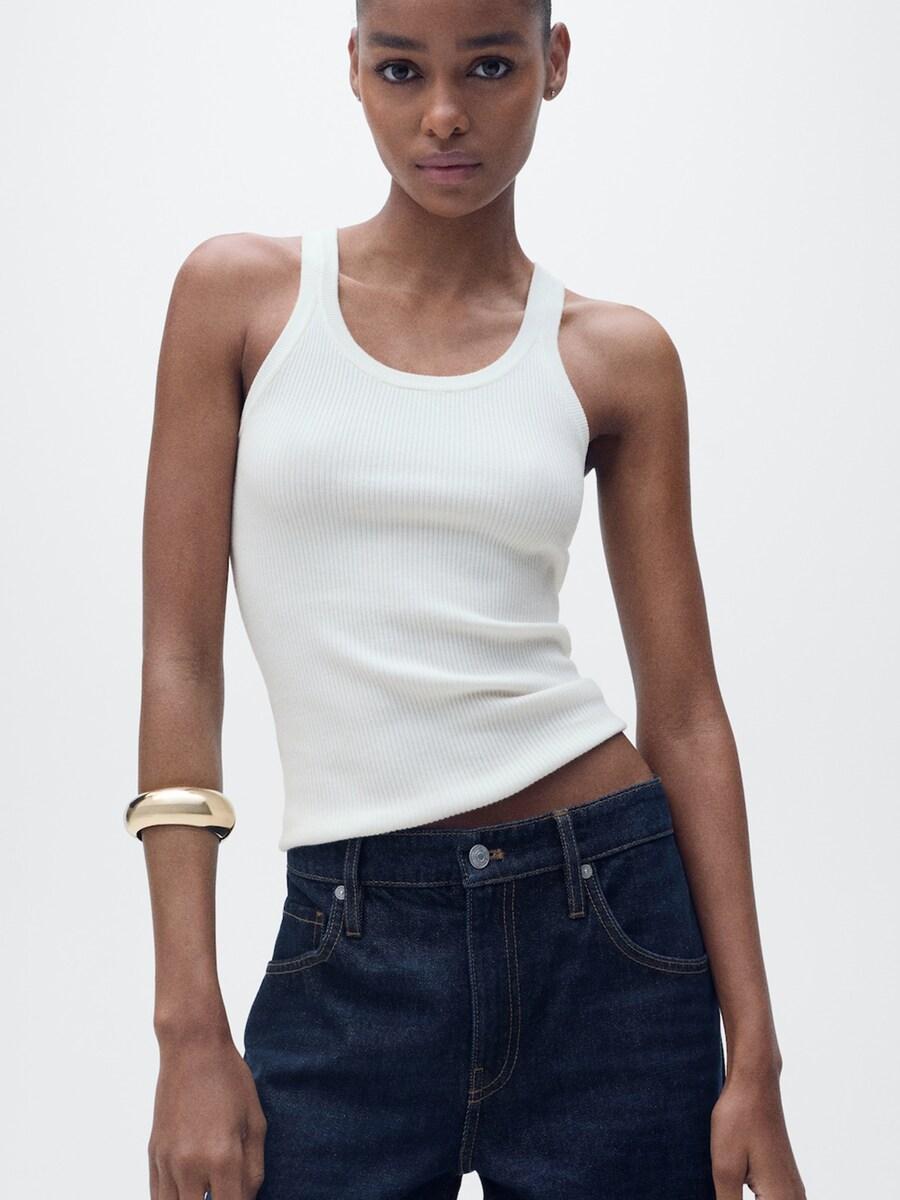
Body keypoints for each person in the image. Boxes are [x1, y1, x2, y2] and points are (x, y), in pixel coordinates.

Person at [131, 2, 807, 1197]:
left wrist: (755, 1051)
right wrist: (187, 1028)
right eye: (404, 70)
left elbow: (687, 712)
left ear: (554, 62)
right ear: (355, 68)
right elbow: (179, 661)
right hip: (350, 938)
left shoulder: (616, 356)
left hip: (607, 924)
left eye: (489, 65)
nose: (444, 115)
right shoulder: (240, 302)